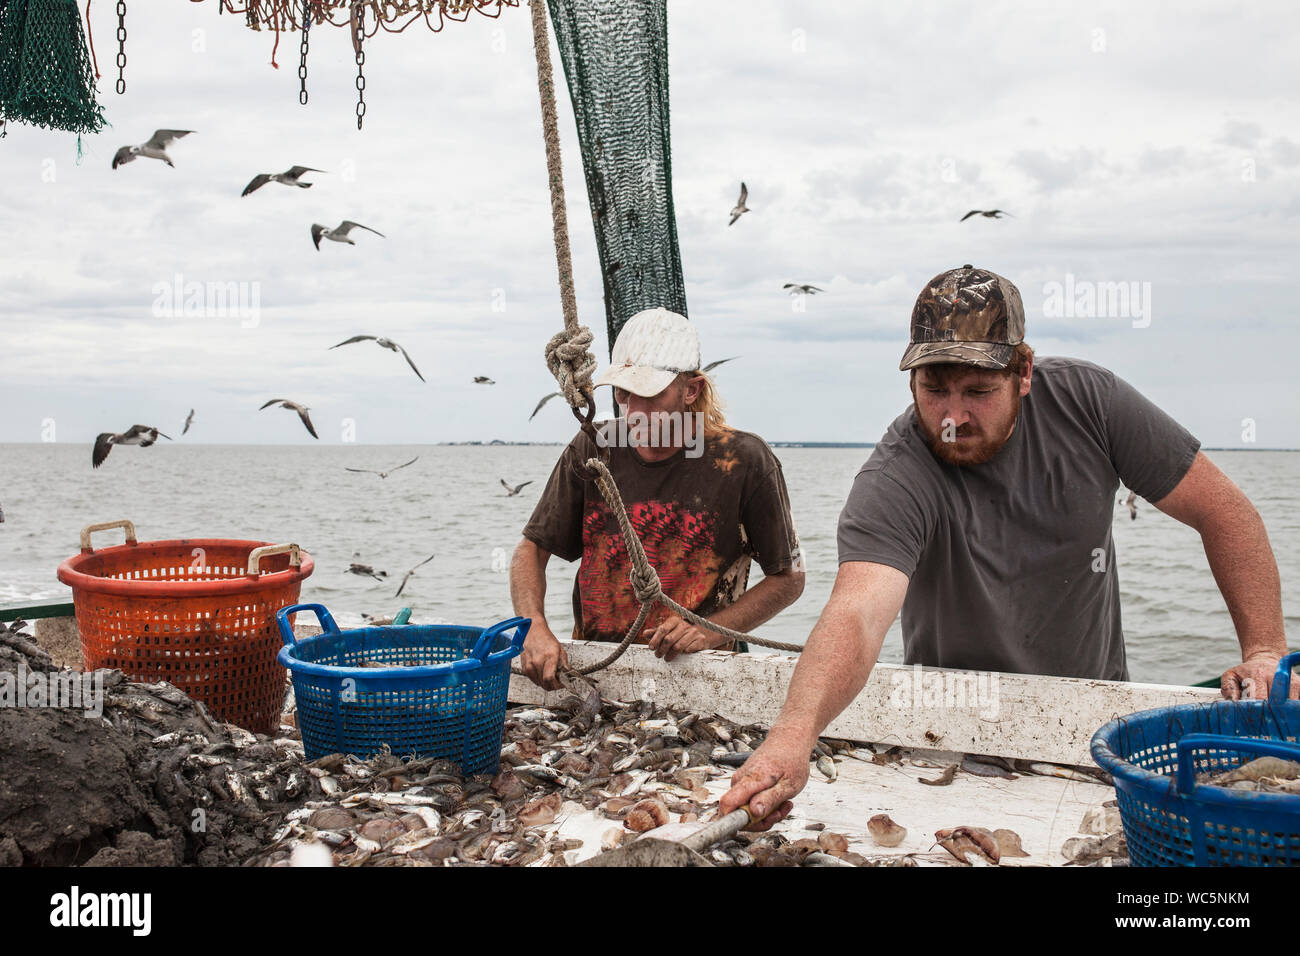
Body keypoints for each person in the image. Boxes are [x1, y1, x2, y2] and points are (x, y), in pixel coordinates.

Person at [721, 264, 1293, 829]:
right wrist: (792, 738)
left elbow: (1224, 513)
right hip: (951, 726)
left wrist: (1265, 649)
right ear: (910, 381)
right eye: (934, 389)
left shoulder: (1090, 403)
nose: (953, 416)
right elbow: (857, 613)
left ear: (1022, 372)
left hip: (1093, 713)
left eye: (978, 391)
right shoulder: (895, 475)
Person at [511, 307, 805, 690]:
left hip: (702, 673)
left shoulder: (744, 460)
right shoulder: (595, 446)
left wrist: (710, 631)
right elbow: (530, 552)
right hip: (599, 670)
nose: (634, 412)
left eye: (650, 395)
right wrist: (534, 628)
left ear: (691, 390)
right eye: (624, 394)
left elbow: (789, 579)